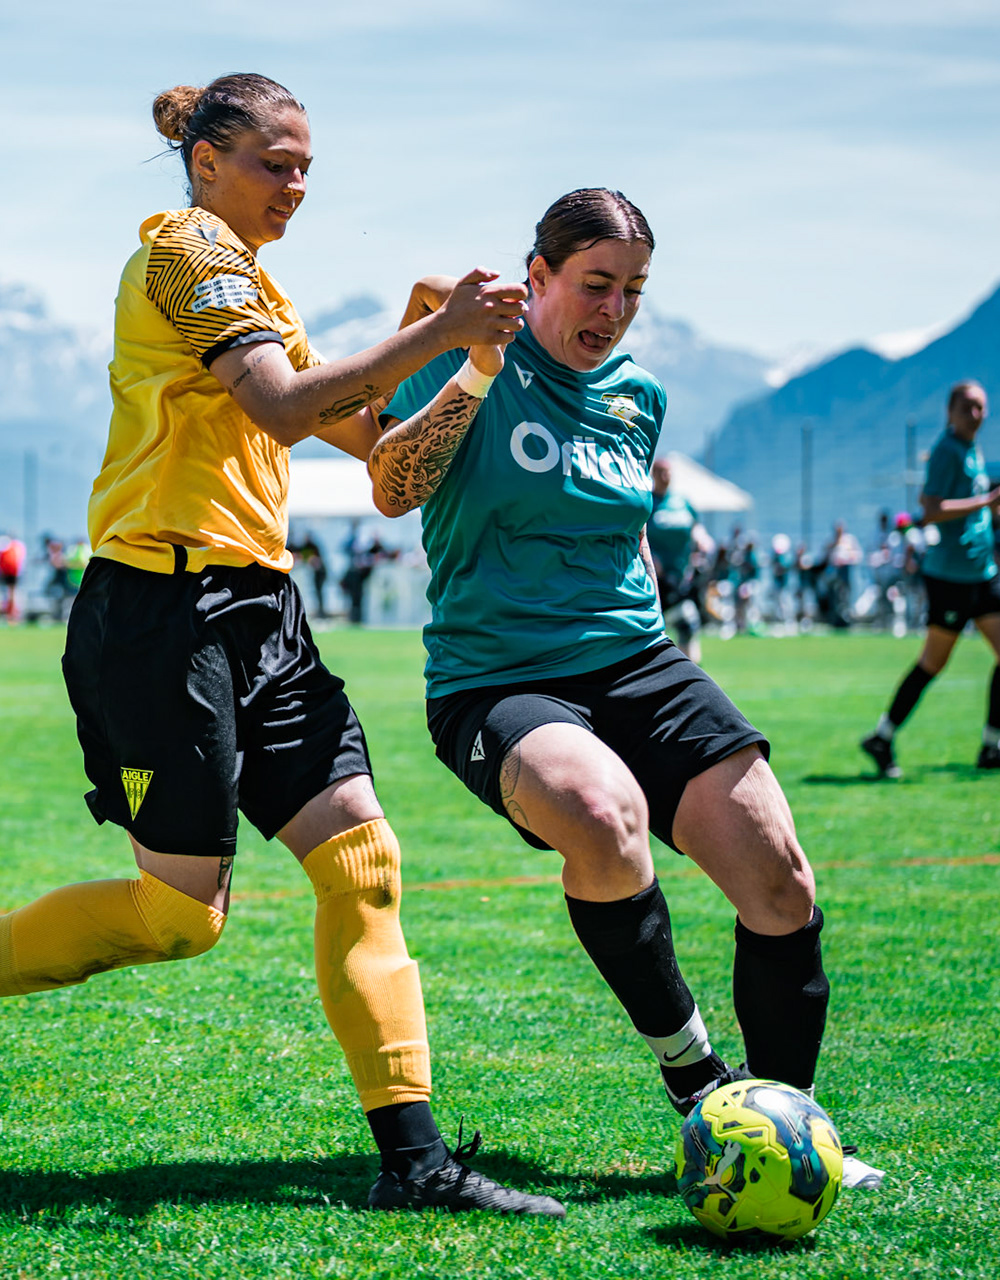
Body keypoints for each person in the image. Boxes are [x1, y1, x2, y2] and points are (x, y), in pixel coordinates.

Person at [0, 73, 560, 1216]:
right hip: (159, 615)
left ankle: (415, 1162)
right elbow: (279, 407)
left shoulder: (262, 284)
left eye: (310, 167)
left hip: (261, 611)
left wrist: (463, 365)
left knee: (364, 862)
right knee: (182, 916)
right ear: (207, 159)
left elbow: (380, 469)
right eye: (278, 163)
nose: (299, 185)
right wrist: (432, 327)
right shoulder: (184, 250)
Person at [369, 188, 881, 1190]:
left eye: (635, 291)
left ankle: (783, 1133)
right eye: (596, 284)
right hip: (498, 673)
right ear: (540, 277)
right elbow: (393, 483)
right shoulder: (468, 347)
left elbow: (627, 529)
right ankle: (698, 1083)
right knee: (604, 815)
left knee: (780, 874)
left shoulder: (637, 396)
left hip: (638, 660)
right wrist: (474, 362)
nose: (613, 309)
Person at [860, 382, 1000, 778]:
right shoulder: (946, 451)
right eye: (969, 407)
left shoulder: (972, 448)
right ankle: (882, 737)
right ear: (950, 412)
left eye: (982, 408)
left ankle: (993, 746)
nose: (977, 414)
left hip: (983, 573)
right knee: (933, 663)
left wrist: (996, 513)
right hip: (951, 577)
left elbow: (966, 510)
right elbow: (931, 510)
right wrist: (988, 500)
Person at [646, 457, 710, 660]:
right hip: (656, 578)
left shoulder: (681, 501)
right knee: (655, 628)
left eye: (669, 472)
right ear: (653, 474)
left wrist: (702, 540)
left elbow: (696, 526)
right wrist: (650, 558)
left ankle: (692, 670)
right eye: (662, 472)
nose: (666, 477)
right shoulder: (648, 501)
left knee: (688, 623)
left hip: (682, 576)